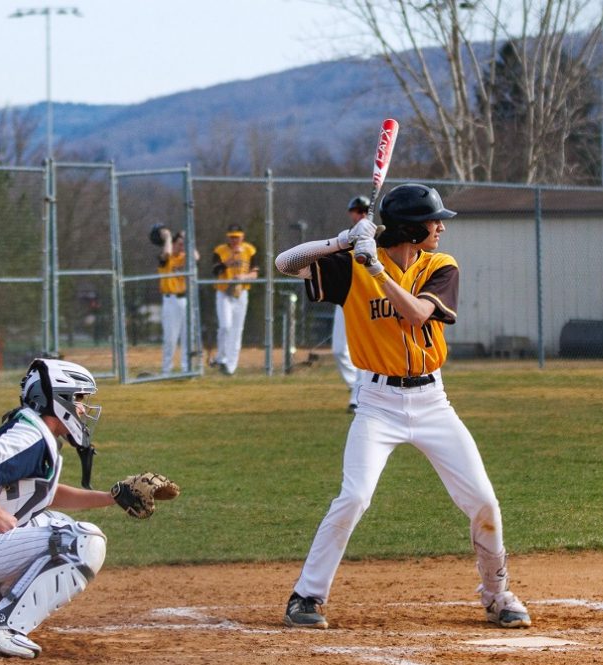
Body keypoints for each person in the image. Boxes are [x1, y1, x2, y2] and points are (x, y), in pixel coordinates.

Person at [274, 183, 531, 631]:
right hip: (376, 403)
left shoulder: (440, 266)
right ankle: (306, 596)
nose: (440, 228)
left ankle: (497, 596)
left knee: (484, 501)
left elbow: (415, 314)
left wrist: (376, 267)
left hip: (433, 401)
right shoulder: (352, 267)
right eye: (434, 221)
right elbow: (284, 263)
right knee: (354, 497)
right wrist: (343, 241)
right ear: (411, 228)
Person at [0, 358, 177, 659]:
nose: (83, 409)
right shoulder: (29, 435)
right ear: (57, 400)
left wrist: (112, 497)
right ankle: (1, 625)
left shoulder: (35, 433)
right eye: (79, 399)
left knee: (51, 521)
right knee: (84, 541)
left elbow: (45, 496)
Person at [333, 196, 371, 412]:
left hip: (365, 298)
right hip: (344, 296)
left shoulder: (378, 236)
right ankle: (355, 387)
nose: (361, 214)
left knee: (361, 349)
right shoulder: (345, 238)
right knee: (339, 350)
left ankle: (358, 396)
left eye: (364, 210)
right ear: (351, 213)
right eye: (357, 210)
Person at [211, 223, 258, 375]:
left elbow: (255, 273)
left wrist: (244, 276)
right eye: (232, 238)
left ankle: (230, 367)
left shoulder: (249, 250)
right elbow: (215, 271)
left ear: (242, 237)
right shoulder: (220, 251)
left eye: (237, 237)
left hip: (241, 292)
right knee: (225, 326)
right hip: (224, 292)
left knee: (237, 330)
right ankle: (221, 358)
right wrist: (229, 261)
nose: (234, 241)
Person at [157, 227, 199, 375]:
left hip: (185, 300)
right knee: (170, 338)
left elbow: (196, 257)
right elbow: (166, 253)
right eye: (179, 244)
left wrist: (188, 241)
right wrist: (168, 238)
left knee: (187, 336)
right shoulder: (167, 258)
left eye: (183, 244)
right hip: (170, 300)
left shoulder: (185, 257)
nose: (182, 247)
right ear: (173, 244)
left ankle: (186, 369)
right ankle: (166, 370)